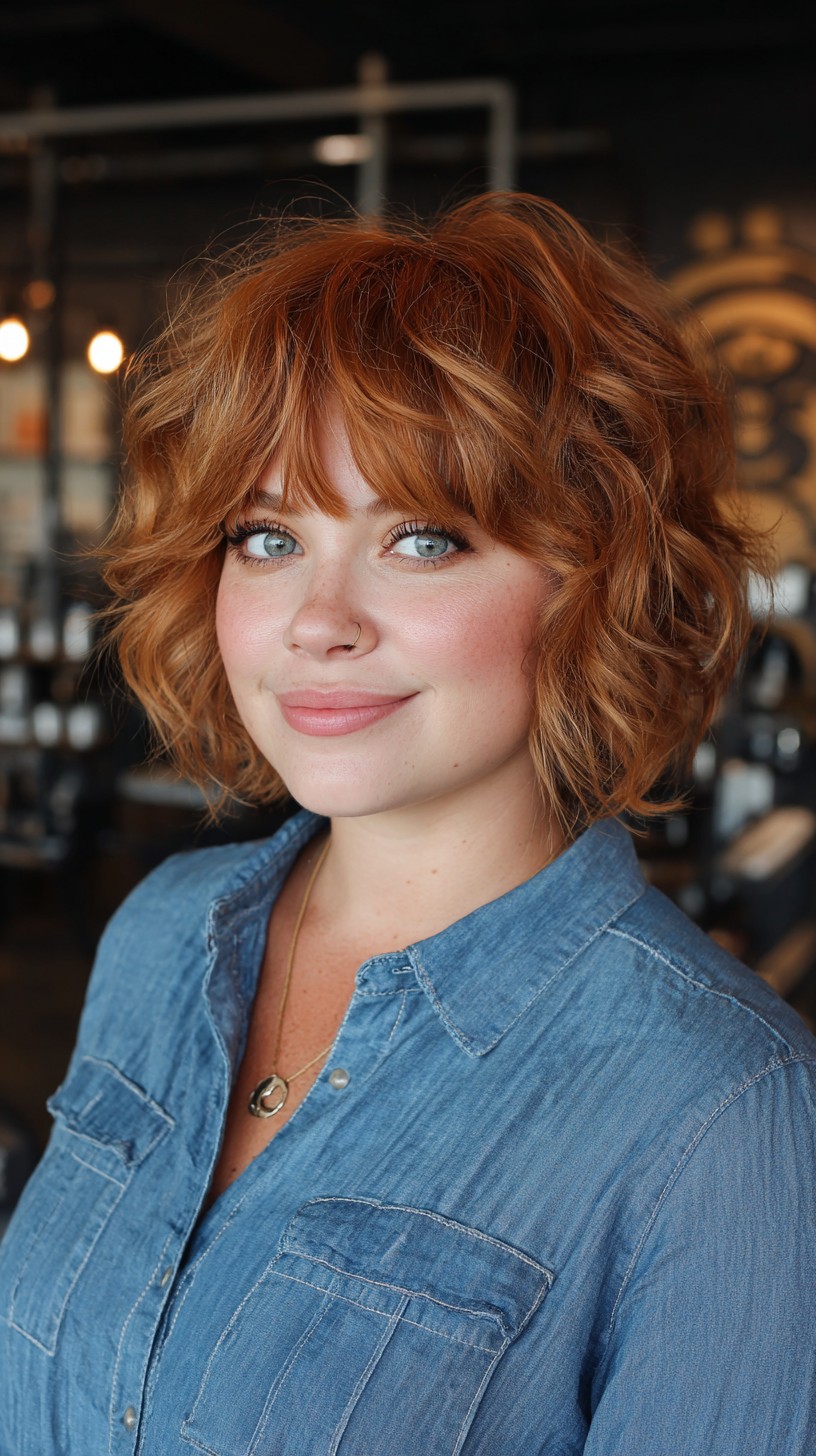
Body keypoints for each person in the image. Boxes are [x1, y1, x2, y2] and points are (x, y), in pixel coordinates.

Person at [1, 192, 814, 1456]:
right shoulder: (164, 933)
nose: (319, 619)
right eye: (268, 536)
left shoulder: (719, 1111)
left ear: (594, 581)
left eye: (422, 539)